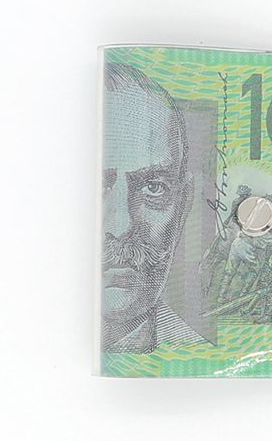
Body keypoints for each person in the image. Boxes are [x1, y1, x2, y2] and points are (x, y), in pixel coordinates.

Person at [101, 62, 203, 353]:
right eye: (98, 187)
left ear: (183, 206)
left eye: (153, 187)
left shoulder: (196, 354)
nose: (121, 226)